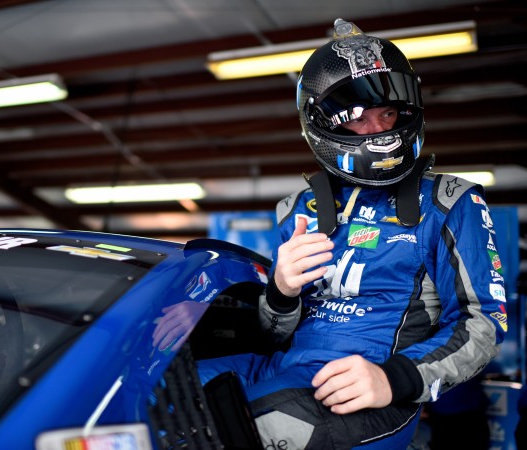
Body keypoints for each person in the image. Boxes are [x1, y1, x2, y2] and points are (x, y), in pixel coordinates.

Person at [189, 18, 507, 449]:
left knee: (249, 431)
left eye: (389, 113)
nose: (380, 131)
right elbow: (272, 336)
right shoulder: (297, 210)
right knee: (155, 391)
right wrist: (280, 292)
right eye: (359, 116)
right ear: (324, 123)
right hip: (279, 369)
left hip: (365, 386)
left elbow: (484, 321)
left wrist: (396, 379)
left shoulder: (450, 202)